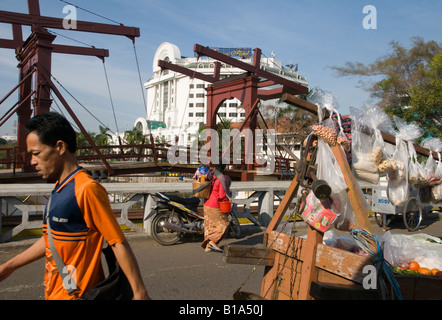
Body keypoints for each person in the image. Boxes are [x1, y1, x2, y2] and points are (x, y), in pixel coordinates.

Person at [0, 112, 150, 300]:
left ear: (60, 147)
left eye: (36, 154)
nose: (32, 161)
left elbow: (117, 242)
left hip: (77, 295)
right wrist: (9, 266)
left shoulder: (86, 189)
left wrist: (139, 292)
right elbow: (51, 239)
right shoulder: (59, 188)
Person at [201, 163, 232, 253]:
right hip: (215, 205)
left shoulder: (210, 175)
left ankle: (208, 247)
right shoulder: (221, 178)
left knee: (209, 226)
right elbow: (221, 195)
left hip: (206, 203)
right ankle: (212, 241)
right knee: (224, 224)